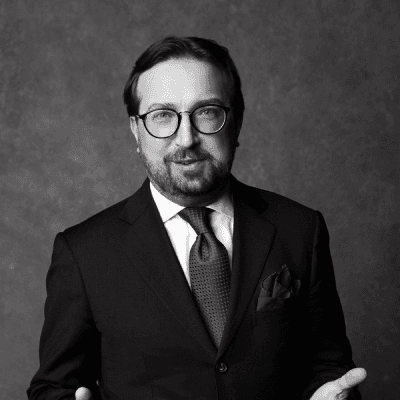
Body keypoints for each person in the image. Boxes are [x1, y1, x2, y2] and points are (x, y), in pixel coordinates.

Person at [27, 36, 367, 400]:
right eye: (162, 115)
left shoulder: (300, 229)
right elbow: (53, 388)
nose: (186, 139)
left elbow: (328, 367)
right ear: (136, 131)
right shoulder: (84, 252)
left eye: (206, 112)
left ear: (236, 123)